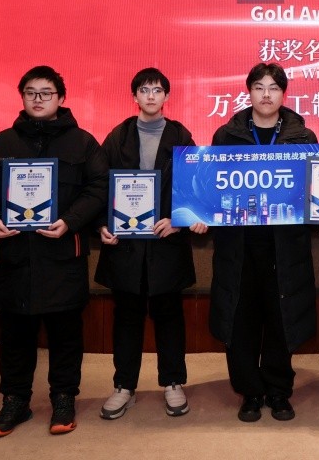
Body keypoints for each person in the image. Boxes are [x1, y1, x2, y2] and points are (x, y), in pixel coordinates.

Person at [0, 65, 108, 437]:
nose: (38, 99)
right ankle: (15, 401)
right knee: (15, 335)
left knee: (65, 335)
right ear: (23, 97)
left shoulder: (83, 143)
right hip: (15, 257)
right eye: (31, 93)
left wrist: (70, 221)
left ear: (61, 98)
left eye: (46, 93)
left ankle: (64, 399)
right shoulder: (1, 144)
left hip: (62, 255)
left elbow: (99, 188)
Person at [207, 62, 318, 422]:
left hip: (284, 245)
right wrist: (199, 213)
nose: (266, 94)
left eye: (273, 88)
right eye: (259, 87)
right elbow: (211, 186)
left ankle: (279, 391)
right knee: (241, 318)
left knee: (282, 317)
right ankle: (250, 392)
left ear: (283, 94)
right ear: (249, 92)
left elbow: (316, 189)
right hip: (238, 245)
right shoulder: (227, 136)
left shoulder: (303, 137)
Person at [94, 68, 206, 420]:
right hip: (126, 246)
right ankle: (123, 386)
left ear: (166, 96)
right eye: (144, 90)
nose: (151, 96)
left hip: (165, 242)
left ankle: (173, 382)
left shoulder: (181, 136)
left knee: (169, 315)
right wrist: (102, 225)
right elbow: (99, 186)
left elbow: (195, 188)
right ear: (135, 96)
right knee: (126, 317)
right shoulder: (117, 136)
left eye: (158, 90)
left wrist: (179, 220)